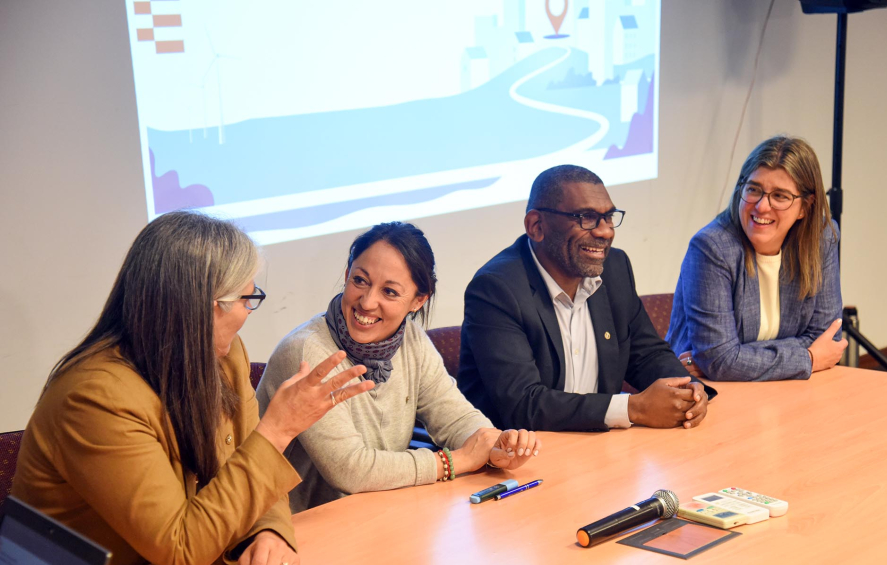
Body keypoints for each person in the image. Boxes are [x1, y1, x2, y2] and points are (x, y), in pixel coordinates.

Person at [12, 212, 374, 565]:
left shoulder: (223, 355)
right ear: (193, 306)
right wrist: (278, 430)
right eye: (243, 299)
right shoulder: (94, 400)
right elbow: (182, 547)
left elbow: (249, 473)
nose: (245, 313)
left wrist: (268, 534)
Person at [257, 222, 541, 512]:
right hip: (298, 529)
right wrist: (456, 461)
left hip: (379, 513)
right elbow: (349, 469)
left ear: (418, 300)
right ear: (346, 276)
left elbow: (454, 416)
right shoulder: (307, 353)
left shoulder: (411, 339)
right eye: (360, 281)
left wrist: (495, 447)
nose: (367, 302)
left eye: (390, 292)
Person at [458, 165, 709, 433]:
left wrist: (688, 390)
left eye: (609, 217)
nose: (605, 232)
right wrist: (632, 408)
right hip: (516, 456)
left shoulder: (615, 267)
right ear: (536, 226)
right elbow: (523, 404)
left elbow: (646, 353)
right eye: (587, 218)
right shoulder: (496, 289)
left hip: (598, 446)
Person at [666, 135, 846, 381]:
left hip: (787, 387)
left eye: (780, 196)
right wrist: (809, 358)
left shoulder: (821, 239)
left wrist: (736, 357)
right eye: (754, 190)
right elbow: (720, 361)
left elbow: (828, 338)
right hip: (706, 391)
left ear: (805, 206)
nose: (762, 206)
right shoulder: (712, 248)